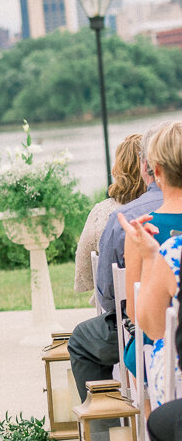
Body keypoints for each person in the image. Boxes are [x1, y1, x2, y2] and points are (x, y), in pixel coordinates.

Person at [68, 124, 166, 411]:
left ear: (149, 167)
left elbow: (110, 295)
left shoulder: (124, 219)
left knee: (81, 340)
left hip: (144, 334)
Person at [119, 122, 182, 408]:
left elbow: (140, 318)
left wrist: (148, 258)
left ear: (155, 171)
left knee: (139, 354)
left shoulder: (142, 233)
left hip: (167, 363)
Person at [73, 133, 143, 294]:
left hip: (117, 308)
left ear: (117, 169)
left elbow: (85, 277)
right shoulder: (164, 206)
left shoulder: (102, 212)